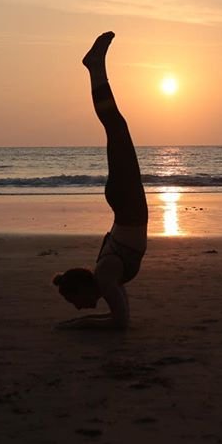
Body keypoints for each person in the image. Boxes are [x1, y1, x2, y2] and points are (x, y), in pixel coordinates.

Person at [53, 31, 148, 330]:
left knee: (116, 126)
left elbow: (119, 323)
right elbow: (122, 320)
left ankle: (95, 67)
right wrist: (79, 322)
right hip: (125, 206)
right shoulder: (107, 278)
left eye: (75, 302)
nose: (80, 307)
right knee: (116, 126)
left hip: (127, 206)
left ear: (81, 288)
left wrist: (76, 325)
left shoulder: (105, 275)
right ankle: (95, 67)